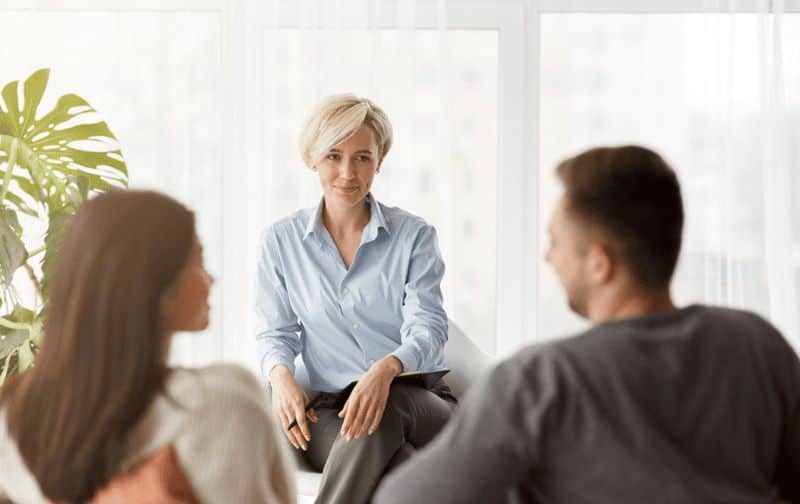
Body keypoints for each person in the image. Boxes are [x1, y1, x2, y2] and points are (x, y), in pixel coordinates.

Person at [374, 145, 800, 503]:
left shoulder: (540, 381)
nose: (549, 257)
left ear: (600, 264)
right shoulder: (758, 344)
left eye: (557, 242)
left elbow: (402, 500)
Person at [0, 190, 294, 503]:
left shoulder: (14, 413)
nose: (211, 278)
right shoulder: (221, 401)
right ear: (154, 284)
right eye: (197, 260)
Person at [256, 94, 456, 503]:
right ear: (313, 159)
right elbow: (275, 331)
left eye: (362, 157)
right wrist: (280, 378)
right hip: (330, 412)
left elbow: (430, 327)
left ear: (379, 160)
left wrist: (386, 369)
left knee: (389, 402)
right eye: (334, 156)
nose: (348, 172)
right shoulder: (281, 241)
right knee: (403, 468)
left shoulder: (414, 236)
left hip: (417, 402)